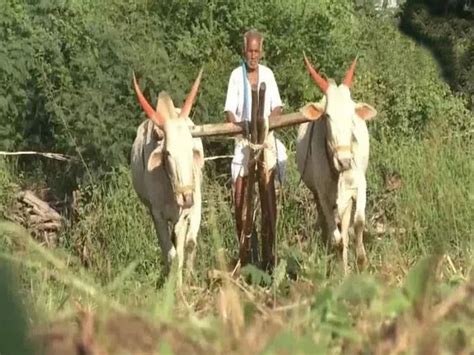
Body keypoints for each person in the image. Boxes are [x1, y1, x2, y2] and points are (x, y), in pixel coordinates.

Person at [223, 29, 287, 268]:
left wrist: (265, 124)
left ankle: (272, 247)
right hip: (243, 140)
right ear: (244, 51)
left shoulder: (268, 75)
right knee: (239, 191)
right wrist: (243, 128)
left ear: (261, 52)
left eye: (256, 51)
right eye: (249, 51)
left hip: (265, 138)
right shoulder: (235, 76)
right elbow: (230, 111)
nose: (253, 55)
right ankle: (245, 250)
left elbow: (278, 107)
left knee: (271, 176)